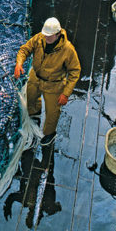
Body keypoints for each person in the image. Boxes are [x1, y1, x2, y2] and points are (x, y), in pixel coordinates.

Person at [14, 17, 81, 146]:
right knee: (31, 98)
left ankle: (50, 133)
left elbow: (75, 72)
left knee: (52, 112)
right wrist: (19, 63)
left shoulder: (68, 49)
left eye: (49, 36)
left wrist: (66, 93)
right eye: (45, 35)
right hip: (36, 77)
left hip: (54, 84)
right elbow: (24, 50)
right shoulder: (40, 38)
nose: (46, 38)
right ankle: (35, 113)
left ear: (58, 34)